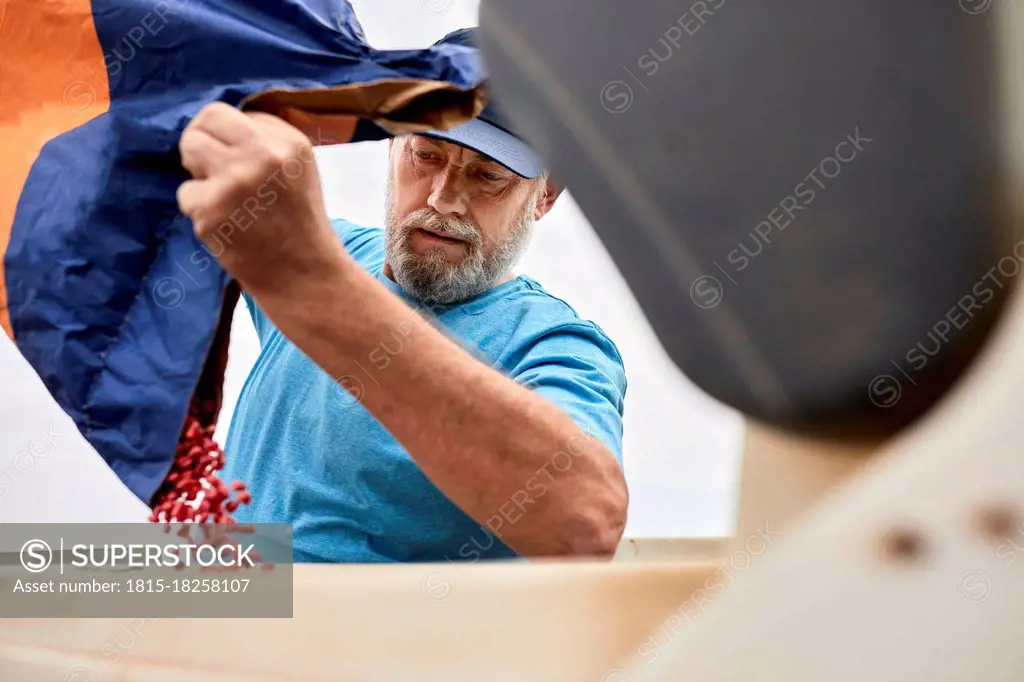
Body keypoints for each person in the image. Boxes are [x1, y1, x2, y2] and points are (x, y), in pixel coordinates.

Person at [176, 28, 628, 562]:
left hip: (352, 637)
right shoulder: (321, 251)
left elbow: (585, 521)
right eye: (428, 155)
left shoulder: (552, 343)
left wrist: (318, 290)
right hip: (218, 589)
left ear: (544, 197)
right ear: (392, 144)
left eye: (487, 176)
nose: (444, 199)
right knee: (63, 574)